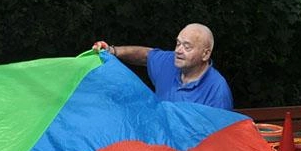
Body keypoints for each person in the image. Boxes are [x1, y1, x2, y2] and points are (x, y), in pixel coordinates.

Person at [94, 23, 233, 109]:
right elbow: (146, 55)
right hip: (159, 146)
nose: (178, 50)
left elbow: (220, 140)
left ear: (205, 54)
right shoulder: (169, 62)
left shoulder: (217, 89)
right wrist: (113, 51)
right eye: (178, 43)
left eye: (187, 46)